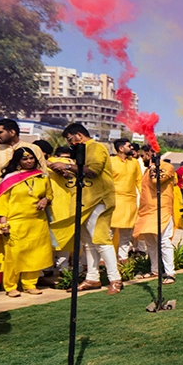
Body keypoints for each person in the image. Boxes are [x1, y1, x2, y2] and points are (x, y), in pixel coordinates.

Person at [49, 124, 121, 295]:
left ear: (79, 135)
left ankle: (115, 279)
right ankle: (92, 278)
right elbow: (84, 173)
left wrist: (67, 166)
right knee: (88, 242)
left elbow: (93, 171)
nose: (70, 143)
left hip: (99, 200)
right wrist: (68, 172)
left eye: (70, 139)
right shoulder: (84, 149)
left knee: (101, 240)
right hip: (87, 200)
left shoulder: (95, 147)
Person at [0, 147, 53, 297]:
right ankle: (10, 286)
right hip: (15, 222)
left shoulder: (42, 177)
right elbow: (2, 203)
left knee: (35, 254)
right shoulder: (10, 179)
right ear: (18, 161)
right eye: (25, 159)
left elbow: (50, 194)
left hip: (38, 222)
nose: (29, 161)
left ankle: (30, 284)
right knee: (13, 256)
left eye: (31, 158)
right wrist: (3, 223)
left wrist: (45, 200)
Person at [133, 156, 178, 285]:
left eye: (144, 154)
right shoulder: (147, 170)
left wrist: (154, 168)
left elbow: (155, 181)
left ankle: (170, 273)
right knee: (150, 242)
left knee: (164, 242)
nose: (142, 157)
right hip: (146, 211)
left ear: (151, 154)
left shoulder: (166, 167)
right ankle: (155, 270)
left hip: (161, 210)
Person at [0, 118, 46, 194]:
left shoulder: (34, 149)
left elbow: (43, 175)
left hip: (29, 198)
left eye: (0, 132)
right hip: (0, 197)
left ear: (12, 132)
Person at [110, 139, 142, 263]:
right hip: (114, 200)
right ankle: (104, 259)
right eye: (129, 146)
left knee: (126, 232)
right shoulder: (111, 161)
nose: (132, 148)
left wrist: (144, 197)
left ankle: (123, 258)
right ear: (121, 148)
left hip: (130, 201)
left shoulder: (134, 162)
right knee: (109, 232)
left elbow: (139, 181)